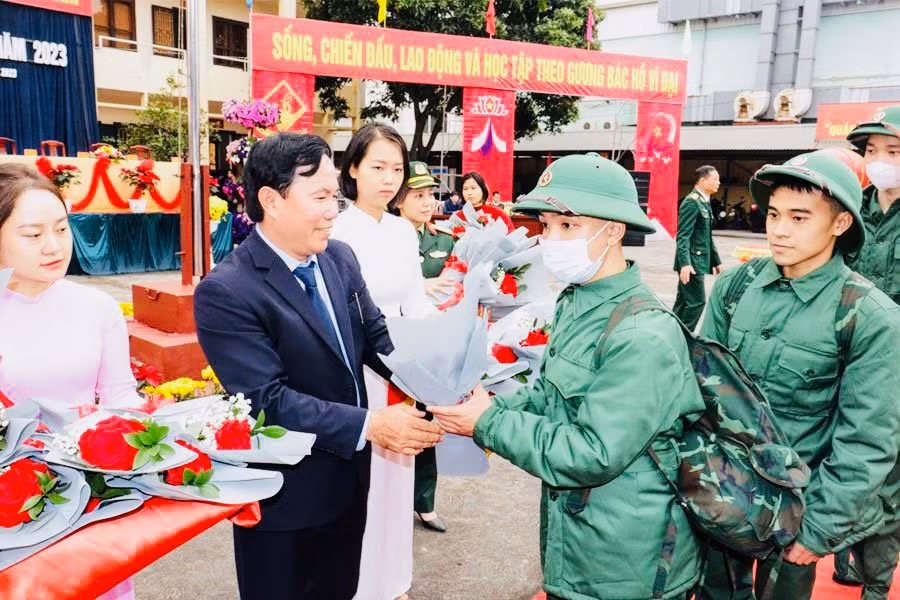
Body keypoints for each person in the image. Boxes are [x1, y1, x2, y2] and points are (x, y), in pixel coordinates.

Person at [431, 153, 705, 600]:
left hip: (626, 562)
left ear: (614, 230)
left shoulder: (642, 333)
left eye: (568, 226)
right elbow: (547, 396)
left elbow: (593, 453)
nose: (550, 239)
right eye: (547, 224)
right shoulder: (577, 302)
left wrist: (489, 423)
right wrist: (483, 409)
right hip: (581, 539)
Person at [193, 133, 443, 600]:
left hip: (348, 484)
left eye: (336, 197)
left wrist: (439, 382)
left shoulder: (339, 258)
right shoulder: (227, 291)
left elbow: (376, 339)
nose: (334, 211)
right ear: (272, 200)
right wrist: (371, 425)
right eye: (322, 197)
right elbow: (265, 400)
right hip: (285, 499)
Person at [697, 150, 900, 600]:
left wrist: (817, 532)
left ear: (840, 224)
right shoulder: (736, 286)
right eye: (773, 214)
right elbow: (696, 389)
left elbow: (866, 443)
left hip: (793, 519)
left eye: (799, 217)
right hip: (716, 500)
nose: (779, 229)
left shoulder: (867, 316)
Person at [0, 163, 142, 600]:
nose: (53, 246)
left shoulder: (95, 307)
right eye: (33, 234)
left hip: (89, 496)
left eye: (62, 229)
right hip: (11, 506)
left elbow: (121, 396)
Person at [330, 123, 436, 600]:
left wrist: (443, 350)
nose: (388, 179)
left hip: (401, 366)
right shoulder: (332, 228)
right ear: (352, 169)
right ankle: (357, 585)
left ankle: (393, 581)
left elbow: (415, 301)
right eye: (377, 167)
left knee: (398, 480)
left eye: (397, 169)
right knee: (361, 485)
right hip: (354, 370)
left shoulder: (401, 230)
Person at [831, 105, 900, 599]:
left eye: (892, 152)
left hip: (894, 364)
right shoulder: (853, 205)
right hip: (844, 349)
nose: (879, 161)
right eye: (872, 151)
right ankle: (841, 556)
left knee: (887, 472)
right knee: (836, 455)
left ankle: (876, 585)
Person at [391, 160, 456, 533]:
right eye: (418, 195)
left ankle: (425, 503)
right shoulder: (384, 238)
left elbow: (458, 288)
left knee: (426, 422)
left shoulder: (445, 241)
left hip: (430, 345)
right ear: (399, 199)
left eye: (430, 194)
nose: (427, 201)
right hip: (392, 345)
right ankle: (390, 504)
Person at [672, 165, 724, 330]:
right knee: (697, 302)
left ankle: (672, 332)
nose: (718, 182)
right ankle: (685, 339)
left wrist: (717, 262)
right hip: (692, 264)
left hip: (697, 261)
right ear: (702, 180)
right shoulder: (692, 202)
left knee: (683, 303)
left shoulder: (704, 202)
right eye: (714, 179)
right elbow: (683, 236)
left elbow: (707, 237)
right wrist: (685, 263)